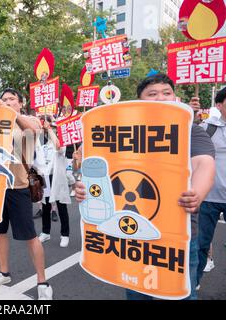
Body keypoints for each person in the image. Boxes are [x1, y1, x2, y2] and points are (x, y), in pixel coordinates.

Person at [73, 73, 216, 300]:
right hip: (130, 236)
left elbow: (204, 164)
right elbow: (103, 174)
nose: (161, 98)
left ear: (176, 98)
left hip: (176, 236)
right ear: (139, 101)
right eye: (152, 94)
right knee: (137, 292)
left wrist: (197, 193)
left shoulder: (190, 131)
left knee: (178, 294)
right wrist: (85, 191)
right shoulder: (119, 132)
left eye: (166, 93)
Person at [0, 88, 53, 300]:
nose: (6, 102)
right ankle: (3, 272)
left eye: (11, 99)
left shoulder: (28, 120)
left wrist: (9, 112)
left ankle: (42, 282)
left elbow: (33, 131)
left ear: (20, 103)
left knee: (30, 236)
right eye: (3, 99)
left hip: (18, 186)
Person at [196, 86, 226, 289]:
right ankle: (192, 283)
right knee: (200, 245)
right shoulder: (207, 128)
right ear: (219, 105)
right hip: (208, 198)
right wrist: (192, 116)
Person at [37, 117, 71, 248]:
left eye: (55, 129)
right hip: (45, 178)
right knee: (45, 207)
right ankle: (46, 232)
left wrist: (50, 129)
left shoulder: (61, 144)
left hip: (57, 179)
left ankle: (65, 235)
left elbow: (58, 147)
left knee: (61, 206)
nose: (52, 131)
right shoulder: (44, 146)